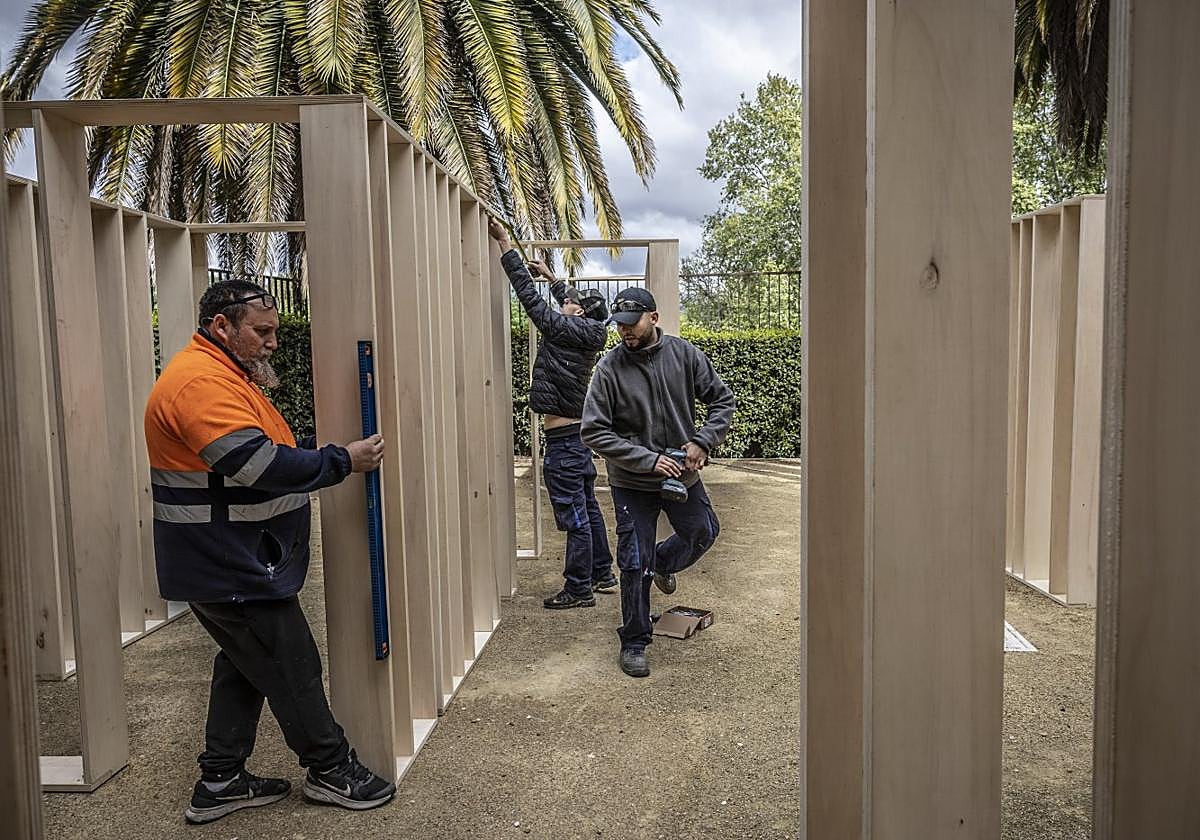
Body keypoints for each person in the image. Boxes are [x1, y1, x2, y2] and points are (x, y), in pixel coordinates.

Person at [144, 280, 396, 824]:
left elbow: (262, 447)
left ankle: (221, 779)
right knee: (292, 665)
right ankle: (331, 769)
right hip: (226, 560)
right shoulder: (198, 383)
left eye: (274, 331)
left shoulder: (226, 375)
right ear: (221, 327)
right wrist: (339, 461)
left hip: (226, 557)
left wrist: (308, 453)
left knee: (246, 662)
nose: (272, 342)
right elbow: (255, 466)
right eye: (262, 331)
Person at [581, 287, 736, 678]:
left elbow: (722, 401)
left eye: (631, 324)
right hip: (633, 481)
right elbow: (594, 432)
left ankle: (664, 563)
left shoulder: (686, 356)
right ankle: (634, 639)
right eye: (619, 326)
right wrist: (649, 460)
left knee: (703, 532)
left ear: (654, 317)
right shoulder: (609, 370)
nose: (625, 332)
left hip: (684, 473)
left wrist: (703, 440)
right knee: (634, 561)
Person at [487, 219, 617, 609]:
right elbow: (566, 301)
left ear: (577, 315)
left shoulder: (566, 329)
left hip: (564, 444)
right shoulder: (583, 330)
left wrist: (505, 244)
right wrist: (551, 275)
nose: (564, 302)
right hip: (576, 441)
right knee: (588, 507)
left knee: (574, 516)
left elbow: (531, 300)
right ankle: (602, 573)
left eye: (569, 304)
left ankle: (578, 589)